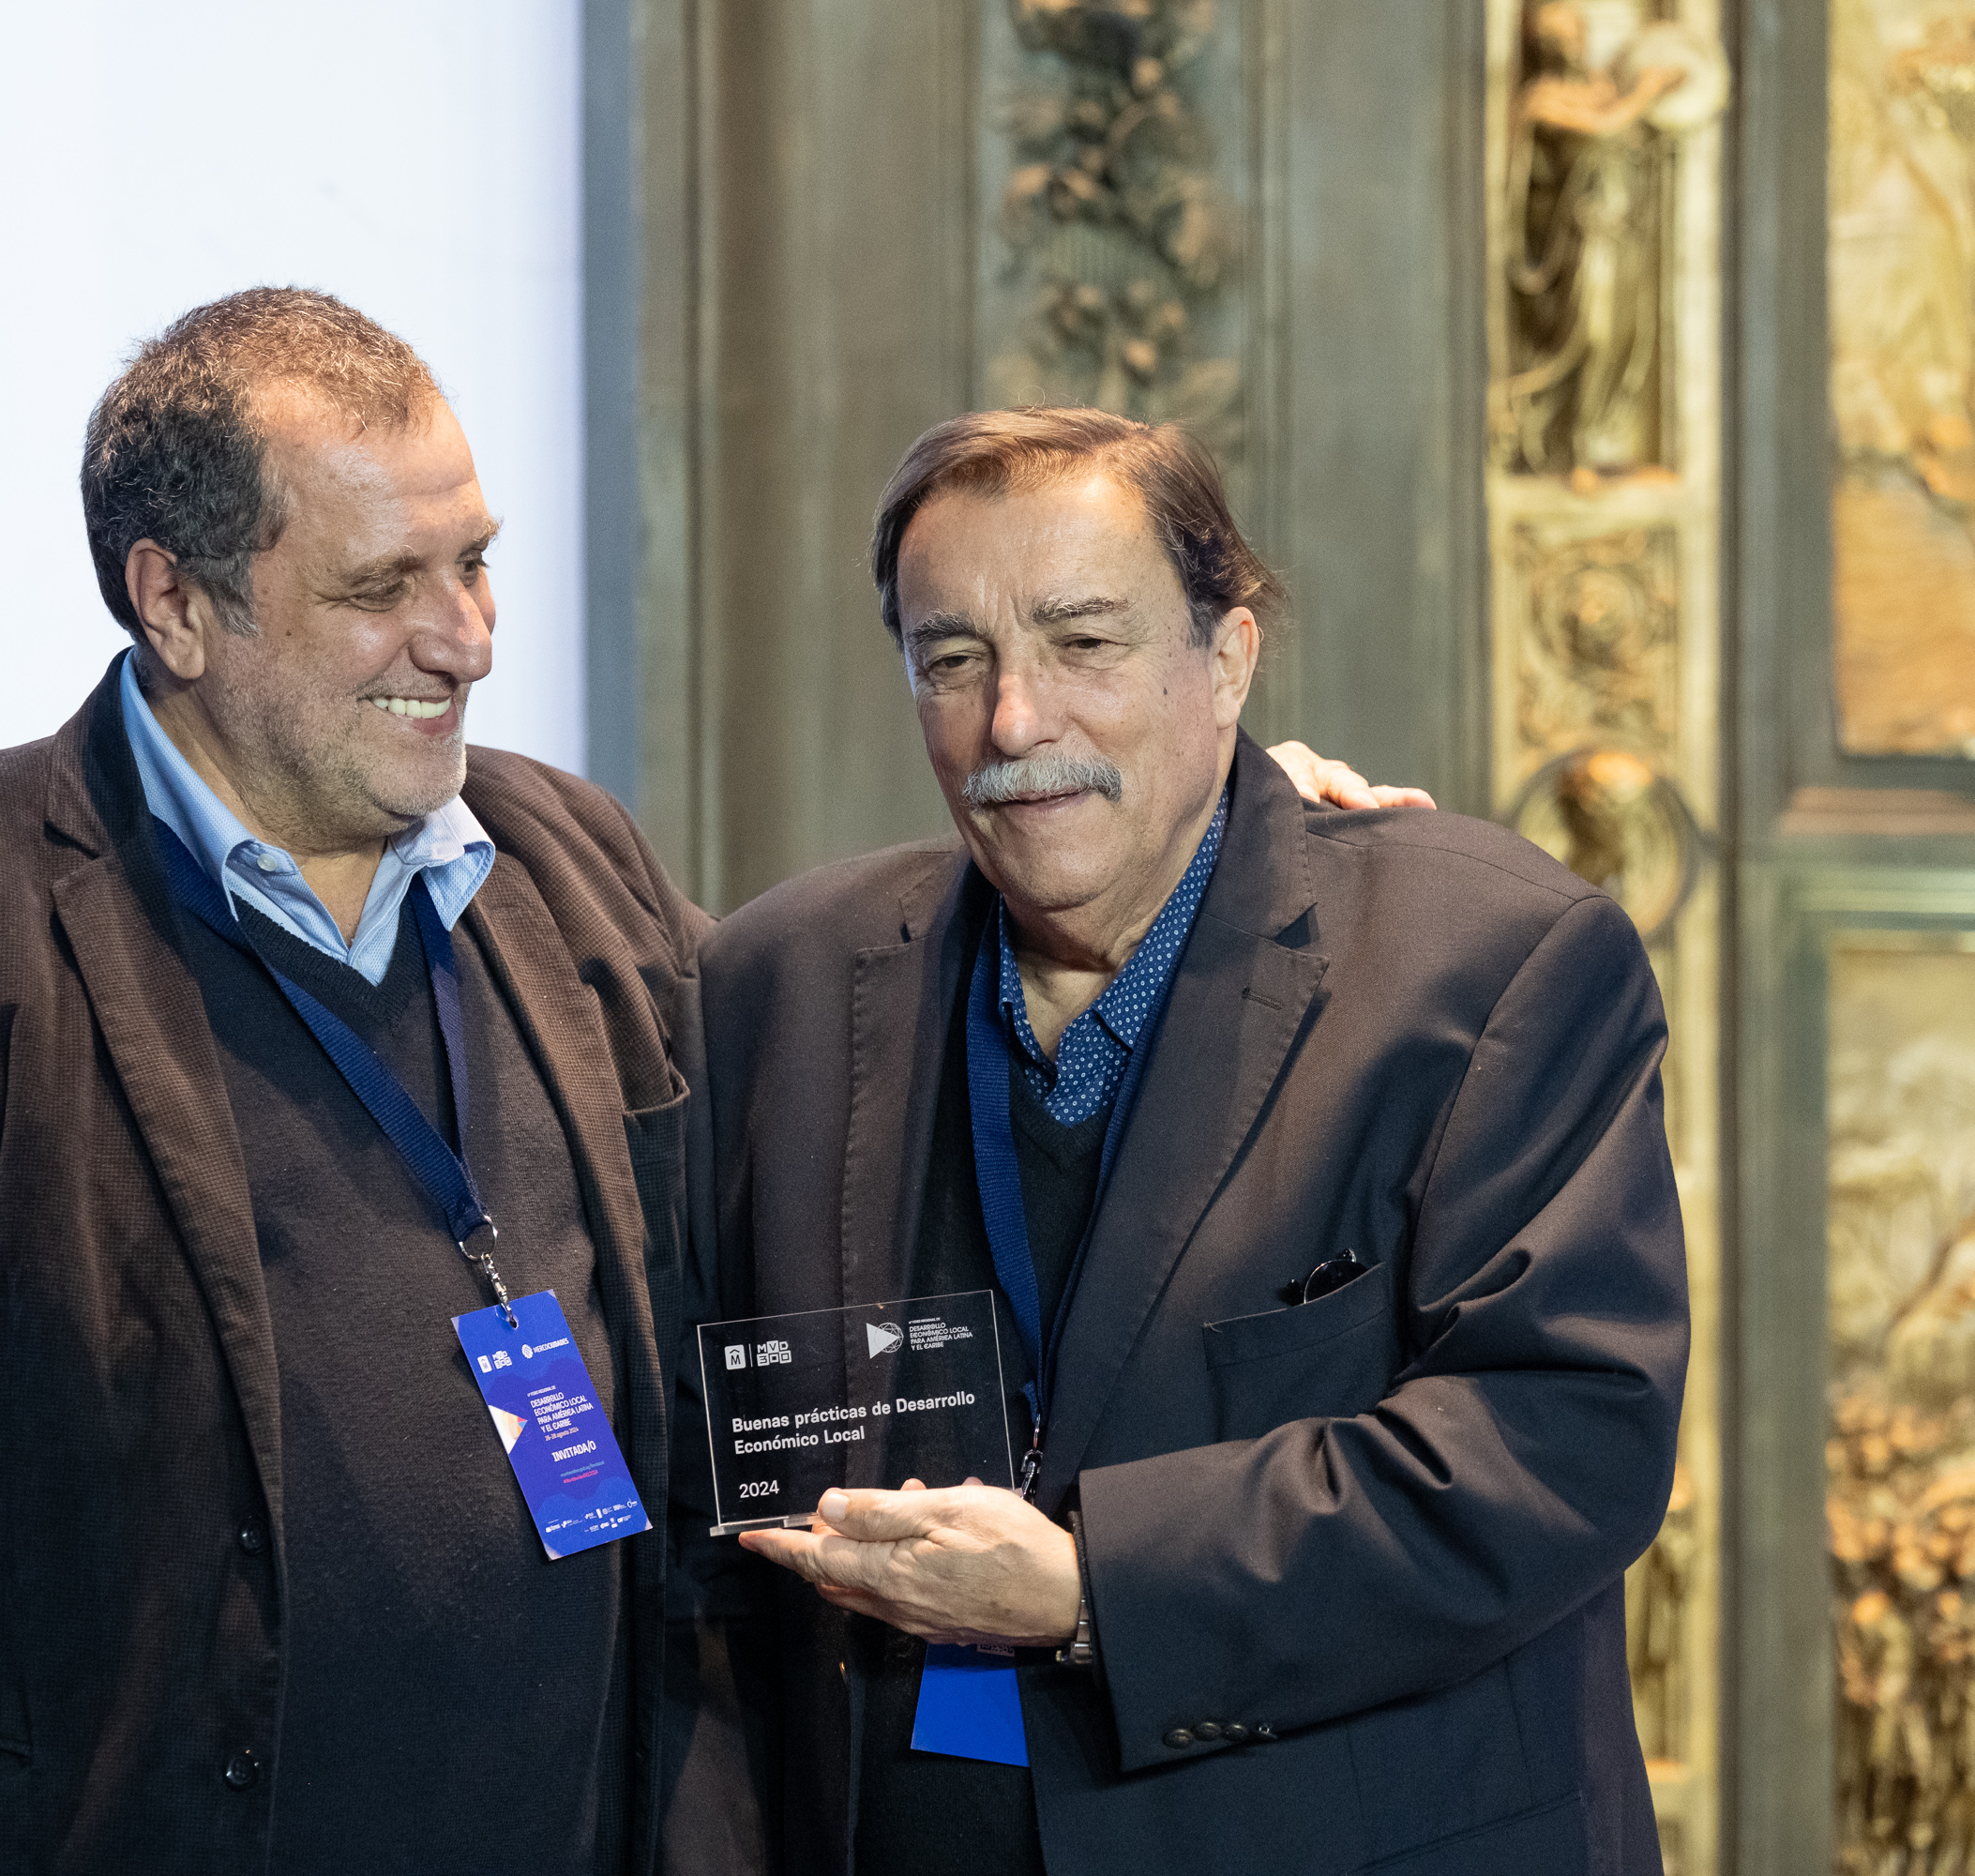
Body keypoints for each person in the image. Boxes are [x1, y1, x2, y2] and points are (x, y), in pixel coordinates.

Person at [0, 287, 1406, 1874]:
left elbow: (891, 1048)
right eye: (380, 590)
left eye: (473, 562)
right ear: (175, 603)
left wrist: (1208, 841)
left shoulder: (567, 862)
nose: (466, 637)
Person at [693, 407, 1687, 1874]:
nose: (1014, 722)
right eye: (953, 660)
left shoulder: (1490, 964)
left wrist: (1094, 1586)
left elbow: (1565, 1435)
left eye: (1083, 644)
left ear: (1225, 662)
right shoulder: (774, 983)